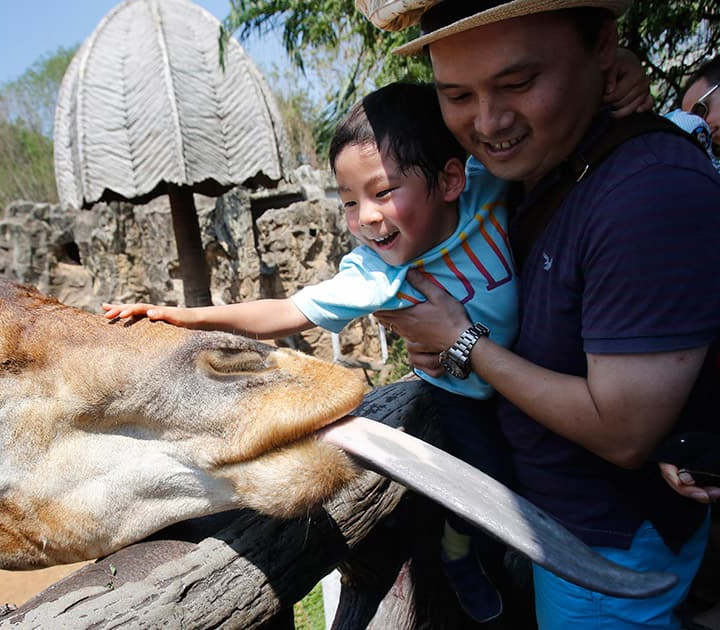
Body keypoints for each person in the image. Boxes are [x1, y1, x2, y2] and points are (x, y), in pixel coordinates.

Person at [105, 66, 653, 621]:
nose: (365, 218)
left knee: (542, 480)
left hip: (525, 376)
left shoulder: (490, 188)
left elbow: (547, 135)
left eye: (383, 192)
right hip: (462, 393)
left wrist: (620, 83)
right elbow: (287, 309)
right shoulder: (377, 273)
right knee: (490, 490)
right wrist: (185, 315)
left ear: (449, 180)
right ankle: (460, 554)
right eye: (348, 202)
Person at [353, 1, 720, 628]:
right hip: (566, 528)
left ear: (602, 45)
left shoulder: (644, 194)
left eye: (519, 83)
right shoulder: (533, 170)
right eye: (457, 95)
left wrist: (463, 341)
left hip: (605, 554)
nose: (487, 122)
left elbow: (623, 430)